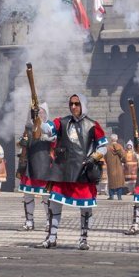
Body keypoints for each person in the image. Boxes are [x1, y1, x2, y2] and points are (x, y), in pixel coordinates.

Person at [39, 94, 107, 249]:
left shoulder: (93, 125)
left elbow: (103, 146)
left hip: (83, 170)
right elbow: (47, 129)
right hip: (63, 170)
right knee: (54, 203)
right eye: (71, 104)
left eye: (77, 104)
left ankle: (83, 239)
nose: (73, 106)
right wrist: (37, 117)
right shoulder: (61, 122)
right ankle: (52, 237)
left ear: (82, 104)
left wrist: (94, 158)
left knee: (86, 207)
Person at [17, 101, 53, 231]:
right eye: (36, 113)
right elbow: (23, 145)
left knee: (46, 196)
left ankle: (49, 222)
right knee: (28, 195)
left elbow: (52, 136)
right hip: (30, 165)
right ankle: (29, 221)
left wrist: (44, 134)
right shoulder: (28, 127)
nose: (39, 115)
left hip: (45, 165)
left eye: (41, 112)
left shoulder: (50, 126)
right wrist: (23, 141)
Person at [105, 133, 127, 200]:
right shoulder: (119, 146)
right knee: (119, 181)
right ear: (116, 139)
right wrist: (124, 161)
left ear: (111, 139)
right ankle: (119, 196)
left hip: (110, 166)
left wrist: (108, 162)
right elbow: (123, 156)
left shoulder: (107, 147)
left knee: (111, 180)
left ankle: (111, 196)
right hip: (118, 166)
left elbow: (105, 157)